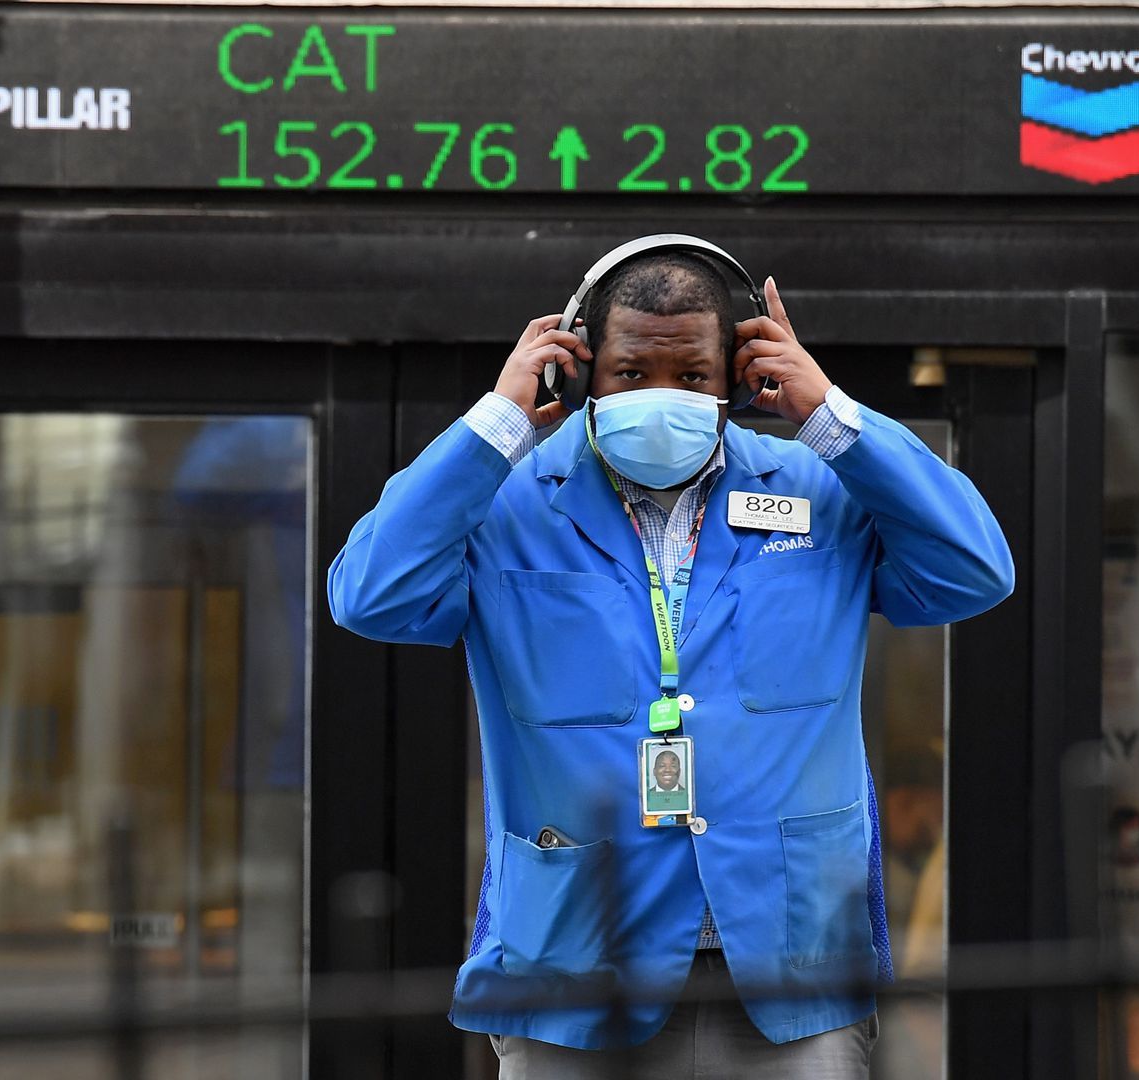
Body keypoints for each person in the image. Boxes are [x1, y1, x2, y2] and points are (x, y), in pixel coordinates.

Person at [327, 247, 1013, 1077]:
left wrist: (828, 414)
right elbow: (369, 594)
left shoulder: (815, 488)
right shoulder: (507, 504)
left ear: (737, 372)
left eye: (691, 373)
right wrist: (496, 426)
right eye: (630, 371)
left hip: (793, 970)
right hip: (576, 970)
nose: (662, 395)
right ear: (582, 375)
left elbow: (973, 571)